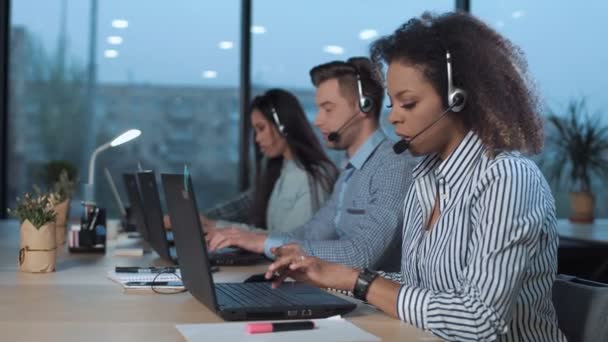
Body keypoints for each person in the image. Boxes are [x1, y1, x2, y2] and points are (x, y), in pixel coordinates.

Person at [264, 12, 566, 342]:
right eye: (392, 103)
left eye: (408, 103)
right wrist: (329, 273)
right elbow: (421, 289)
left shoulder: (507, 179)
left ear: (458, 99)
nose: (393, 118)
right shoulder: (424, 177)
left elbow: (479, 321)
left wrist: (358, 280)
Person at [207, 57, 416, 272]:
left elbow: (360, 254)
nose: (317, 120)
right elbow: (310, 234)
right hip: (341, 293)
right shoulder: (350, 172)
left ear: (365, 106)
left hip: (370, 303)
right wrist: (252, 238)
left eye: (328, 109)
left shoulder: (393, 166)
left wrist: (263, 243)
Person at [168, 88, 338, 234]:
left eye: (261, 128)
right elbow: (241, 206)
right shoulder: (280, 170)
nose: (257, 139)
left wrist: (218, 227)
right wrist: (199, 220)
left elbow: (294, 242)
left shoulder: (311, 176)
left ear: (283, 126)